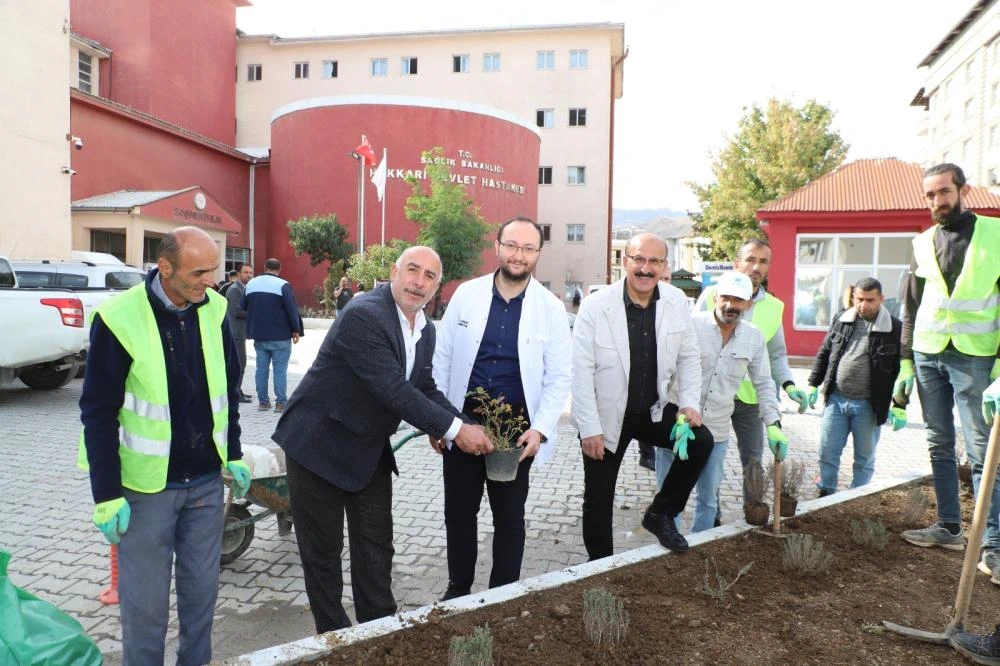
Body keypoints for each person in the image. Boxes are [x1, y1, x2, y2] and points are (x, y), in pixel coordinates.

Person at [271, 246, 493, 634]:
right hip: (317, 445)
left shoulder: (425, 328)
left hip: (368, 448)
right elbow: (394, 390)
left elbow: (423, 386)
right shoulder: (364, 315)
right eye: (412, 270)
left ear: (437, 286)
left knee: (376, 545)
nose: (418, 282)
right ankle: (336, 637)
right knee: (323, 553)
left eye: (429, 276)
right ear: (394, 272)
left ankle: (379, 630)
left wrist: (463, 423)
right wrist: (454, 431)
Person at [78, 226, 251, 665]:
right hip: (146, 490)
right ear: (165, 268)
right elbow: (98, 412)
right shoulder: (119, 319)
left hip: (205, 484)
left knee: (201, 599)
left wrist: (232, 451)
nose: (210, 281)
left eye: (214, 270)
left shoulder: (213, 309)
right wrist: (106, 495)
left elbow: (227, 389)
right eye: (198, 273)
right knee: (146, 610)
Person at [432, 217, 572, 600]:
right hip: (462, 425)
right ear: (497, 247)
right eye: (511, 245)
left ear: (538, 254)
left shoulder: (551, 309)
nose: (518, 255)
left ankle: (502, 595)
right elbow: (442, 359)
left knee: (509, 519)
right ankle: (458, 589)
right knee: (459, 515)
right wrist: (440, 421)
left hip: (516, 435)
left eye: (528, 248)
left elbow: (560, 376)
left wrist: (540, 429)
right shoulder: (467, 295)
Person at [572, 233, 713, 558]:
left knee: (700, 441)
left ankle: (660, 513)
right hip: (607, 416)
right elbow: (580, 371)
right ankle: (599, 567)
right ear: (625, 262)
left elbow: (689, 357)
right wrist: (589, 427)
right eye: (639, 259)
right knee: (598, 498)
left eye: (654, 261)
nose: (645, 268)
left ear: (664, 266)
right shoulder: (596, 306)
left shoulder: (676, 302)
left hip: (652, 410)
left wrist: (689, 404)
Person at [897, 163, 1000, 570]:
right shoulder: (922, 242)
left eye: (944, 191)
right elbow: (911, 306)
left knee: (982, 452)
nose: (937, 200)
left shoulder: (995, 234)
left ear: (963, 191)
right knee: (938, 443)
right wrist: (906, 362)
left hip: (975, 356)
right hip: (928, 353)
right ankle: (949, 527)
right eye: (930, 195)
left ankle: (993, 547)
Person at [654, 271, 785, 532]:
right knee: (667, 495)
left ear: (748, 304)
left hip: (715, 431)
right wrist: (664, 412)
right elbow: (663, 371)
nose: (730, 305)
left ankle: (700, 545)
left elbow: (764, 383)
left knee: (708, 500)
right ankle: (667, 541)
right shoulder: (691, 326)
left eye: (738, 300)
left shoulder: (754, 338)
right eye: (725, 297)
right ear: (715, 297)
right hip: (677, 425)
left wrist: (773, 424)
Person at [692, 238, 807, 520]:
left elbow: (776, 354)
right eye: (750, 259)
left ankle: (752, 511)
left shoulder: (774, 307)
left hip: (750, 398)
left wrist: (789, 385)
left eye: (763, 261)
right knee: (709, 456)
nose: (756, 267)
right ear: (737, 263)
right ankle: (712, 514)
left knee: (753, 459)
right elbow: (690, 344)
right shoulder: (712, 294)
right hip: (712, 394)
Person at [806, 278, 905, 496]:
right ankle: (825, 492)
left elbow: (902, 370)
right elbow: (825, 352)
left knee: (864, 458)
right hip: (836, 399)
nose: (863, 305)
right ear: (853, 297)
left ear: (881, 299)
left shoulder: (894, 328)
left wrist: (900, 405)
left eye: (870, 300)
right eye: (859, 299)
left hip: (869, 406)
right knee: (827, 451)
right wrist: (813, 383)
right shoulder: (841, 319)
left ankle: (857, 498)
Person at [243, 258, 304, 412]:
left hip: (259, 335)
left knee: (261, 370)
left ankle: (263, 402)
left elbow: (244, 306)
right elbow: (291, 310)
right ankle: (281, 403)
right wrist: (296, 330)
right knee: (280, 370)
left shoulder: (251, 284)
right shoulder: (283, 285)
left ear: (264, 267)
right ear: (279, 269)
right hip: (280, 335)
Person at [637, 270, 676, 472]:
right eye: (662, 279)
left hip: (667, 382)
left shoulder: (676, 304)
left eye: (667, 278)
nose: (664, 282)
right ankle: (646, 454)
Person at [226, 262, 254, 403]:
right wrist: (254, 312)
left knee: (240, 363)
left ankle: (237, 389)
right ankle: (235, 393)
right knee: (240, 364)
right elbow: (237, 311)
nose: (249, 275)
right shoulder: (235, 290)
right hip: (235, 333)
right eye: (246, 272)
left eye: (250, 272)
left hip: (239, 332)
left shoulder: (242, 288)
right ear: (238, 274)